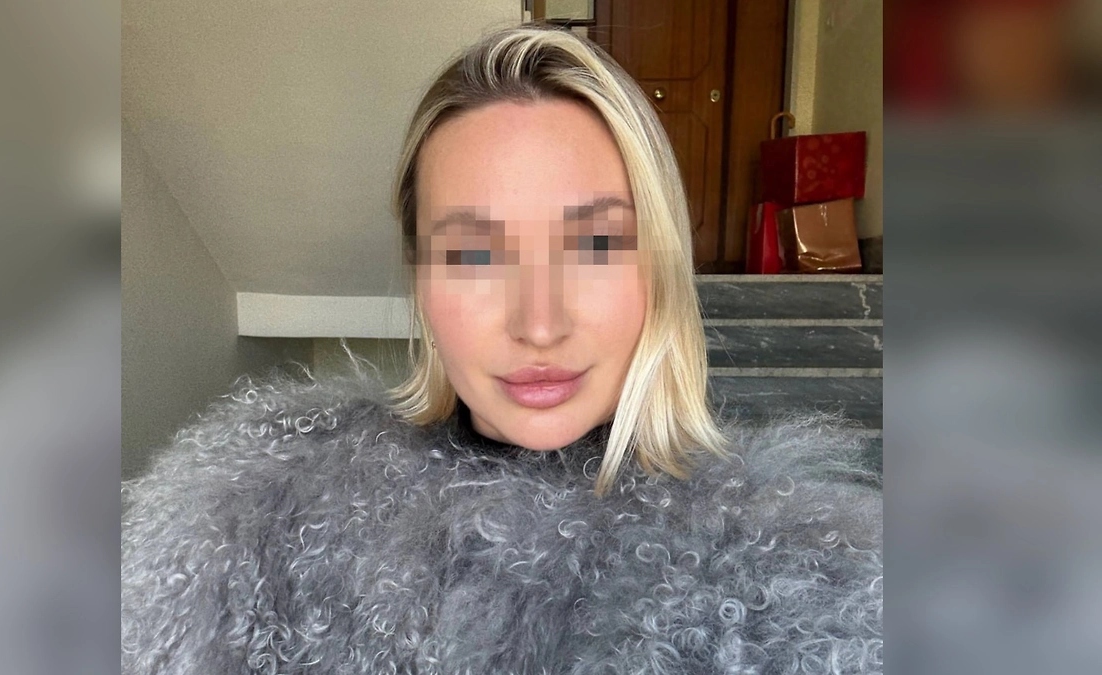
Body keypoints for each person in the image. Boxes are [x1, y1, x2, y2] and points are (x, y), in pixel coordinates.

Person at [121, 25, 882, 674]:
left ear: (660, 263)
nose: (539, 323)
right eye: (476, 253)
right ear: (420, 274)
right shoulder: (249, 519)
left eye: (594, 243)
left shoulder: (803, 576)